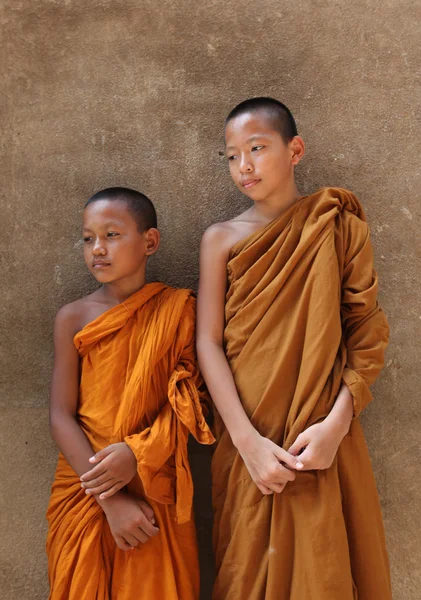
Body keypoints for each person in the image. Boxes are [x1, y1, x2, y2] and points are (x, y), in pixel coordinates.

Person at [197, 98, 391, 600]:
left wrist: (336, 425)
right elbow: (207, 343)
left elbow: (365, 333)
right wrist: (246, 442)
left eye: (257, 149)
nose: (244, 165)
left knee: (322, 572)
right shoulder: (220, 239)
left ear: (295, 149)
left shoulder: (336, 224)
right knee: (245, 574)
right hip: (248, 440)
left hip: (321, 436)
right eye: (232, 155)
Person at [46, 187, 214, 600]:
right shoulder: (73, 317)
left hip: (153, 483)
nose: (97, 250)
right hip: (86, 485)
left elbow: (192, 402)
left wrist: (134, 454)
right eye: (88, 238)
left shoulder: (179, 311)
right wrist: (110, 499)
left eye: (112, 235)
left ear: (150, 242)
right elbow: (60, 415)